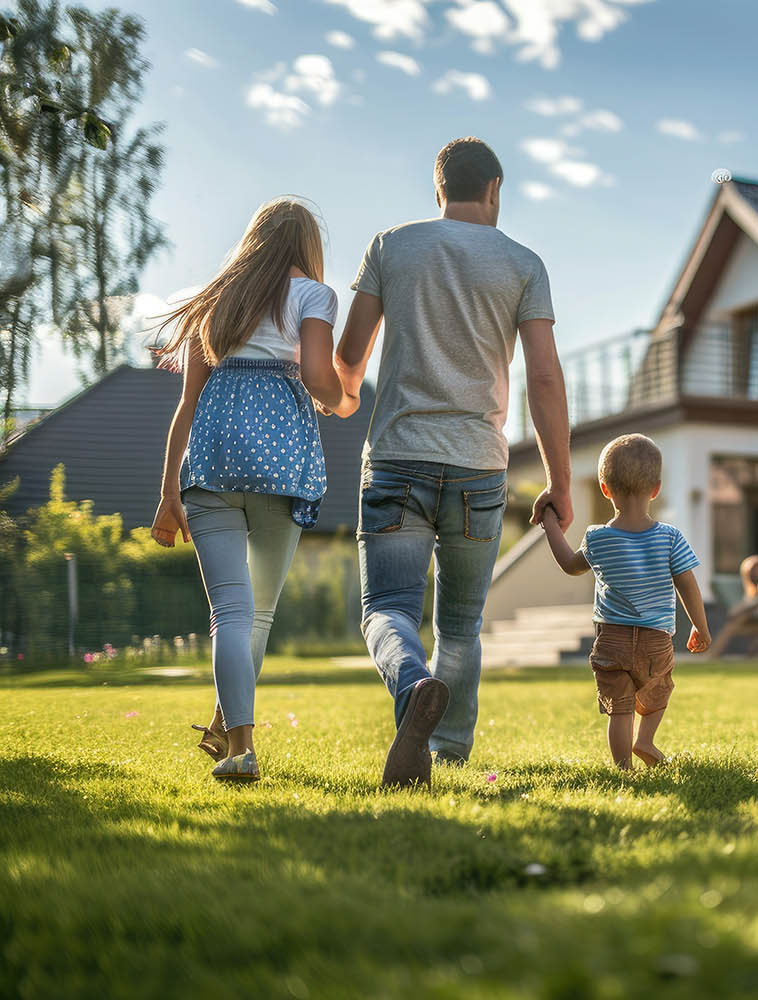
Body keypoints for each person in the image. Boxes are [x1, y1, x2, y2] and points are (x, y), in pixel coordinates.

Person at [333, 137, 572, 787]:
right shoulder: (523, 263)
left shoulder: (392, 246)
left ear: (438, 189)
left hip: (397, 460)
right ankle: (449, 753)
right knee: (461, 624)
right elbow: (544, 381)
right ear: (494, 190)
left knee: (387, 608)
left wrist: (349, 393)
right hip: (479, 467)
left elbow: (350, 356)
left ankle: (412, 686)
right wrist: (559, 481)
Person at [150, 198, 360, 783]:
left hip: (211, 465)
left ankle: (234, 738)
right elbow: (321, 378)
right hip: (281, 464)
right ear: (305, 246)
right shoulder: (313, 295)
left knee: (231, 614)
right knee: (257, 615)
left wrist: (169, 493)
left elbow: (186, 406)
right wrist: (344, 401)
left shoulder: (212, 303)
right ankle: (231, 735)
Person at [539, 434, 710, 769]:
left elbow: (570, 566)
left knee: (620, 707)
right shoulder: (669, 537)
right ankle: (644, 740)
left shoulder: (597, 537)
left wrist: (550, 526)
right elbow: (687, 586)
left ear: (605, 488)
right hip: (656, 639)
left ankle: (622, 768)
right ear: (656, 489)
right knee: (658, 690)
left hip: (612, 639)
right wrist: (699, 627)